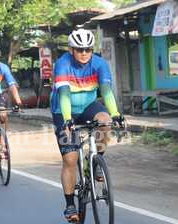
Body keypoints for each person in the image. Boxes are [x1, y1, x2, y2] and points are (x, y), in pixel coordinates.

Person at [50, 28, 123, 222]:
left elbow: (106, 91)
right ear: (71, 50)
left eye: (88, 49)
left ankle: (96, 161)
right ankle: (70, 205)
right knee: (70, 159)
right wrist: (67, 119)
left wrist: (115, 114)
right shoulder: (62, 64)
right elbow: (64, 94)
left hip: (89, 106)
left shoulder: (99, 64)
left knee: (105, 121)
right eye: (79, 49)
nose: (84, 53)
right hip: (63, 110)